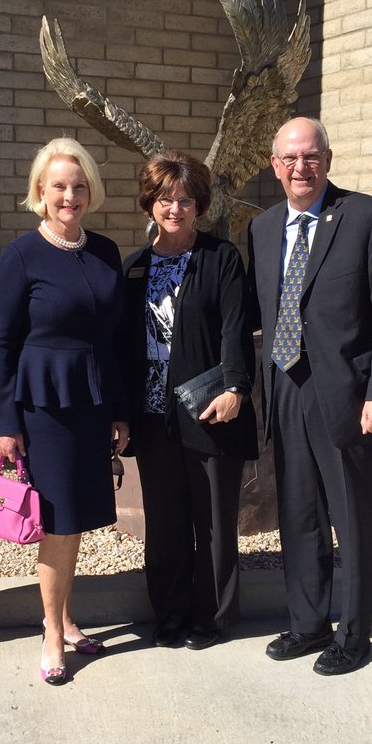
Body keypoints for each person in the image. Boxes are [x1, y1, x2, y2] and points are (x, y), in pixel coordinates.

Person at [247, 117, 372, 675]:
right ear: (275, 166)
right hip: (285, 386)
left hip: (346, 394)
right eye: (291, 158)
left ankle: (355, 636)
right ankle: (308, 623)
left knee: (352, 517)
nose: (302, 167)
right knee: (299, 513)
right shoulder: (263, 228)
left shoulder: (367, 217)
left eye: (312, 156)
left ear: (329, 160)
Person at [0, 137, 128, 687]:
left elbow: (113, 338)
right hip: (44, 406)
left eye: (79, 186)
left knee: (74, 521)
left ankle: (67, 619)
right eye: (59, 187)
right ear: (40, 193)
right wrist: (7, 424)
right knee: (56, 522)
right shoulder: (22, 254)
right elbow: (1, 343)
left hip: (92, 402)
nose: (70, 196)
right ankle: (50, 632)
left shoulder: (106, 251)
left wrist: (118, 410)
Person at [121, 151, 258, 650]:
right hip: (153, 417)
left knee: (214, 521)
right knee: (166, 524)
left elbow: (235, 330)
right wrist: (120, 413)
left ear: (199, 205)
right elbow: (123, 345)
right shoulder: (134, 268)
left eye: (184, 200)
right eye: (164, 199)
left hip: (210, 411)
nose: (174, 208)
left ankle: (212, 617)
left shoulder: (221, 259)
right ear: (149, 204)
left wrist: (235, 388)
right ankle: (170, 614)